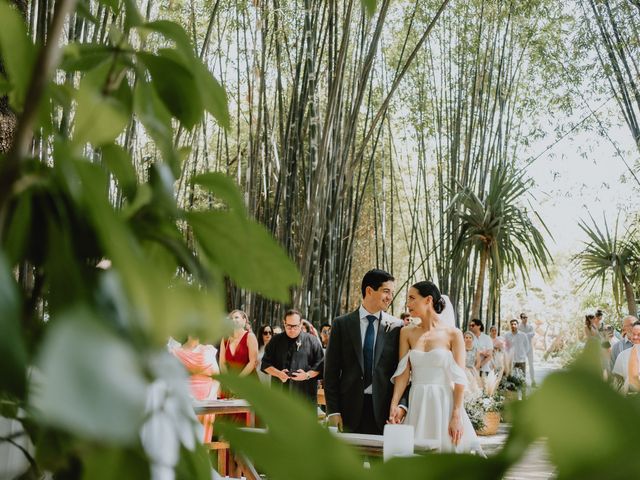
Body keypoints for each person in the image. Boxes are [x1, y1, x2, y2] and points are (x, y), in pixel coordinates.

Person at [389, 281, 481, 453]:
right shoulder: (406, 332)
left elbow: (459, 379)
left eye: (412, 298)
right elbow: (403, 374)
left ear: (428, 300)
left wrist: (456, 415)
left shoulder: (454, 334)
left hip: (444, 402)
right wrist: (394, 405)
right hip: (416, 401)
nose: (408, 304)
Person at [324, 268, 407, 434]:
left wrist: (402, 405)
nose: (390, 297)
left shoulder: (397, 327)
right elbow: (331, 372)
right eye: (386, 291)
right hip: (347, 411)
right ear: (369, 290)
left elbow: (403, 372)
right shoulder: (342, 324)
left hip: (385, 414)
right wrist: (333, 410)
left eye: (392, 292)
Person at [261, 309, 324, 404]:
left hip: (305, 396)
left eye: (295, 326)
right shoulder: (275, 341)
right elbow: (265, 364)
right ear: (284, 323)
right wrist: (278, 373)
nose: (292, 330)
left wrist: (306, 375)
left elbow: (320, 365)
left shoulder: (312, 341)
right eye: (289, 326)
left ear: (301, 323)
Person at [169, 336, 219, 442]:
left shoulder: (208, 351)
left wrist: (209, 398)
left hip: (206, 401)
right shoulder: (176, 352)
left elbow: (217, 378)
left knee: (202, 440)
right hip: (184, 400)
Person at [613, 321, 640, 390]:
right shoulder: (622, 355)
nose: (635, 337)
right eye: (633, 334)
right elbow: (617, 382)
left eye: (639, 334)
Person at [518, 312, 536, 386]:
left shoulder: (530, 326)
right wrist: (527, 335)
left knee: (531, 364)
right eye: (524, 317)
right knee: (522, 364)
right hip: (522, 349)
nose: (526, 319)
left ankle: (533, 381)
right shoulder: (518, 327)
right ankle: (523, 381)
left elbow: (533, 333)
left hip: (530, 348)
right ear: (521, 318)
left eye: (526, 317)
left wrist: (525, 335)